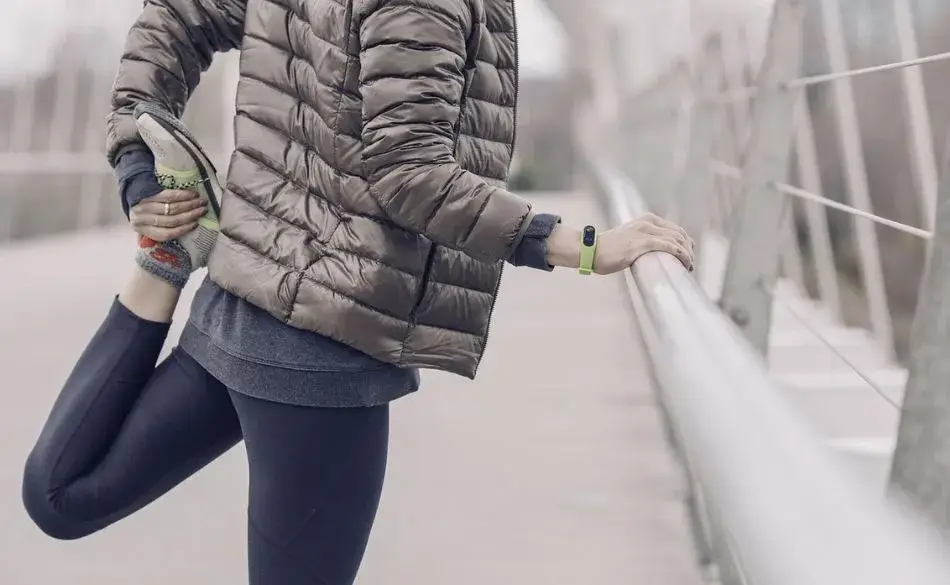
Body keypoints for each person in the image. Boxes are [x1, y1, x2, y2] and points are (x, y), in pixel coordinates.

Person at [21, 1, 695, 584]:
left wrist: (138, 162)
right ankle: (173, 253)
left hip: (237, 305)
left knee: (63, 492)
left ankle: (168, 261)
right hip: (323, 347)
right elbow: (409, 176)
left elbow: (176, 16)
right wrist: (583, 246)